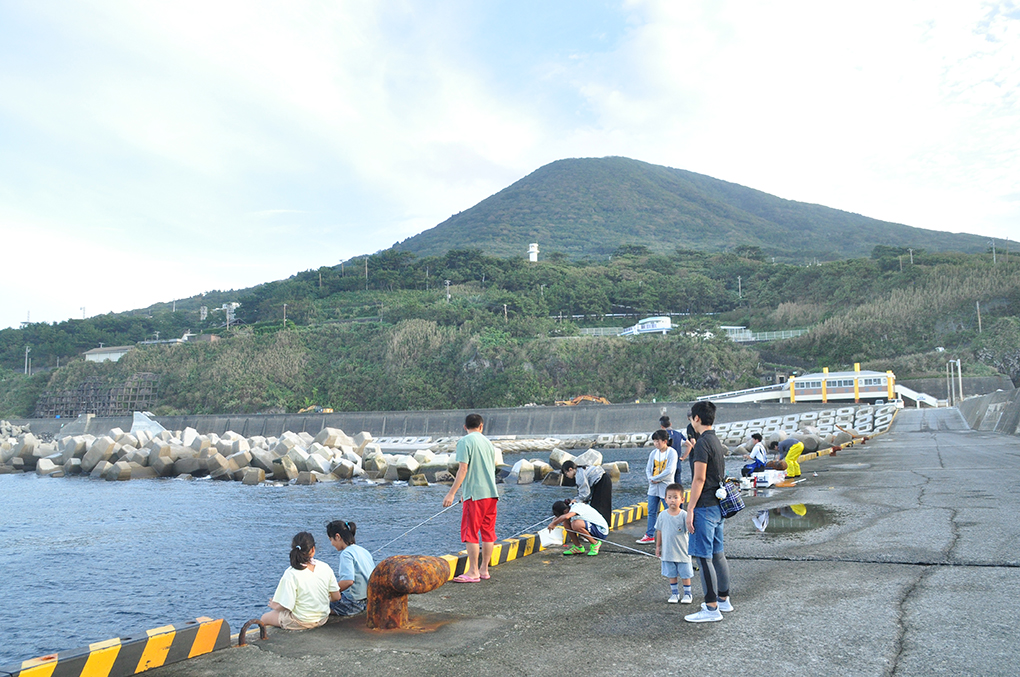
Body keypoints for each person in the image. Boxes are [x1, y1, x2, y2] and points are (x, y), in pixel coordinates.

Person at [682, 401, 734, 623]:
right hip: (717, 506)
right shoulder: (714, 441)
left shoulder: (703, 443)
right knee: (717, 554)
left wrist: (690, 507)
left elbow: (699, 478)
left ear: (696, 419)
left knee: (703, 558)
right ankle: (723, 599)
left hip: (704, 506)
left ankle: (711, 608)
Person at [443, 413, 499, 583]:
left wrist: (451, 493)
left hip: (475, 496)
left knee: (470, 533)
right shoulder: (488, 443)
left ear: (465, 427)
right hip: (491, 494)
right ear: (481, 426)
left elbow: (463, 469)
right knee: (488, 532)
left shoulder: (464, 442)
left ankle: (473, 572)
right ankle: (484, 570)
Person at [262, 532, 340, 630]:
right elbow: (337, 596)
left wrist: (275, 606)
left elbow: (286, 606)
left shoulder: (291, 573)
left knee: (264, 618)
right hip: (322, 618)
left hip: (301, 621)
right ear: (313, 549)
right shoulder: (325, 567)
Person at [325, 520, 376, 616]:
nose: (331, 543)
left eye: (331, 539)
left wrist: (331, 592)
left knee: (319, 604)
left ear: (337, 537)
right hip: (369, 599)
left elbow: (348, 581)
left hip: (355, 603)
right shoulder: (363, 550)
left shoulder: (346, 554)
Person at [655, 482, 694, 604]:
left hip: (683, 551)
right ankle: (674, 593)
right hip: (668, 551)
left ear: (682, 499)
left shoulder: (684, 515)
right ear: (665, 499)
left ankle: (688, 594)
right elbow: (659, 531)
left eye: (676, 497)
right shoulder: (662, 515)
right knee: (671, 573)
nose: (672, 500)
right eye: (670, 497)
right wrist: (658, 546)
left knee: (685, 574)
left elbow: (691, 532)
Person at [637, 430, 677, 544]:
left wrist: (656, 478)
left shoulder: (672, 452)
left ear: (665, 441)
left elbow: (670, 470)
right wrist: (650, 478)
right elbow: (648, 468)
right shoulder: (654, 453)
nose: (655, 444)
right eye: (654, 441)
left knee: (669, 510)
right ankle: (650, 535)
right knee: (651, 511)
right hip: (653, 486)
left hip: (666, 486)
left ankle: (672, 534)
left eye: (657, 441)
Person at [561, 459, 612, 526]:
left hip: (601, 482)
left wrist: (576, 500)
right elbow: (587, 491)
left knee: (599, 506)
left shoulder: (579, 475)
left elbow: (584, 493)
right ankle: (603, 525)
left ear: (570, 469)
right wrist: (583, 500)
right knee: (601, 504)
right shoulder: (581, 470)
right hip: (603, 480)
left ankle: (601, 526)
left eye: (566, 473)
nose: (567, 476)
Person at [660, 415, 687, 487]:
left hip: (667, 463)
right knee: (678, 485)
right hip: (677, 462)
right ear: (670, 424)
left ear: (662, 426)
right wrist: (683, 457)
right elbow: (690, 445)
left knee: (667, 486)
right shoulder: (678, 434)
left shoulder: (663, 436)